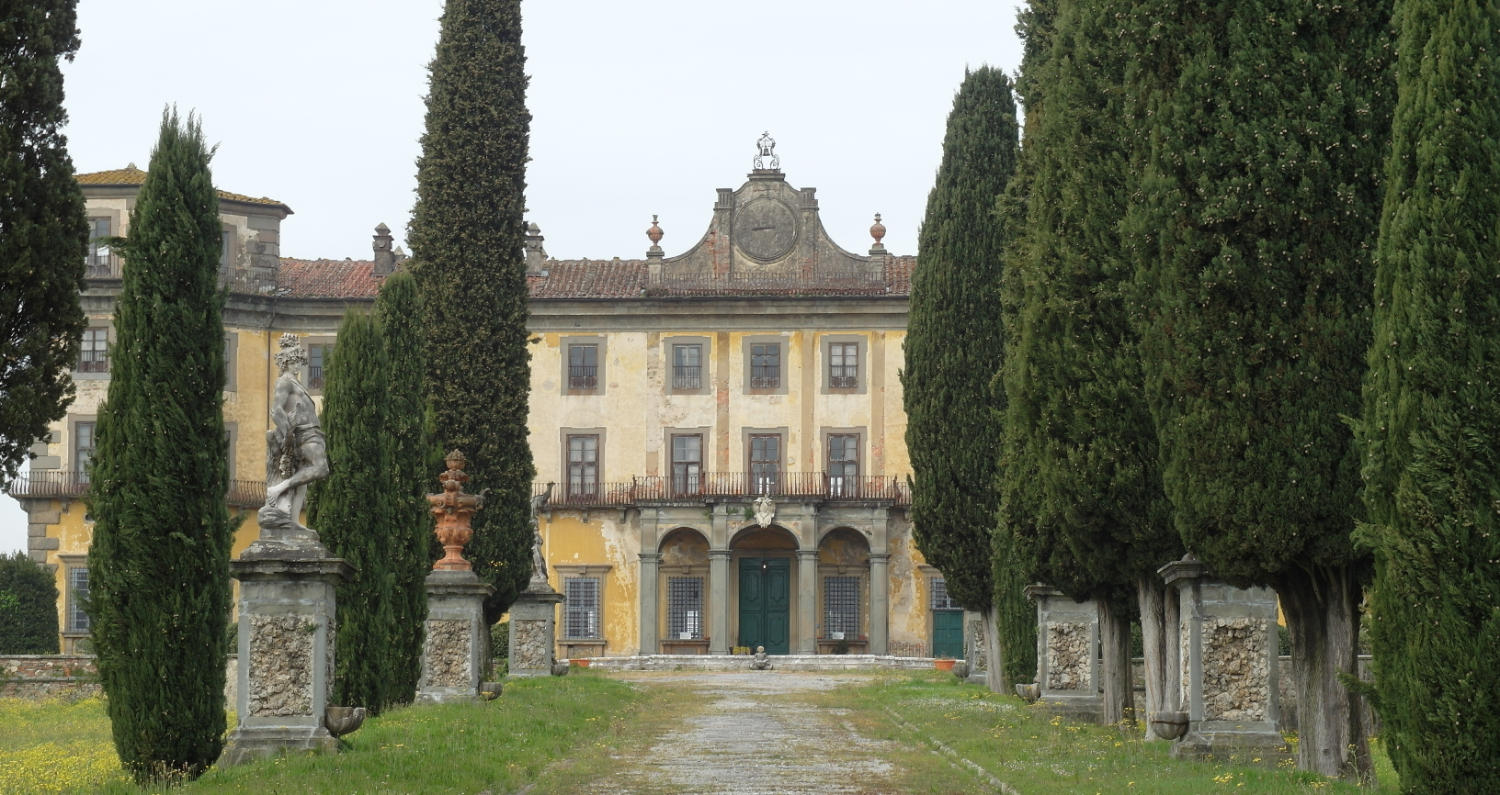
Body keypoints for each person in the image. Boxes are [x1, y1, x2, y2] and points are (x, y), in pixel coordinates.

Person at [261, 334, 328, 536]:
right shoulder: (284, 382)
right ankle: (278, 489)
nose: (298, 366)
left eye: (300, 362)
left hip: (311, 433)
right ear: (286, 362)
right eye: (294, 362)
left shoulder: (296, 384)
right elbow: (276, 410)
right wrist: (287, 435)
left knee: (303, 484)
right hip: (302, 434)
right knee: (321, 468)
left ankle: (292, 522)